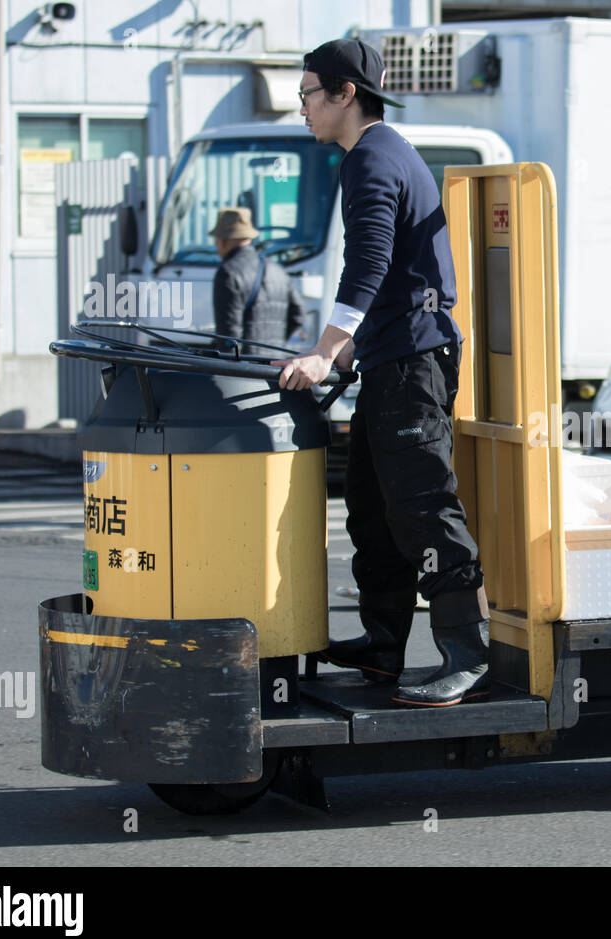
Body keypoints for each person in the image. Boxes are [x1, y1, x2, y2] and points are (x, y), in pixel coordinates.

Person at [272, 37, 489, 708]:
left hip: (412, 362)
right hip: (393, 355)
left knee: (421, 502)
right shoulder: (379, 153)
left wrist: (324, 348)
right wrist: (344, 347)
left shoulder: (371, 159)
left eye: (308, 93)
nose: (302, 107)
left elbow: (368, 263)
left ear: (344, 94)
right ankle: (383, 648)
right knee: (371, 505)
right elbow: (384, 267)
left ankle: (466, 650)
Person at [210, 207, 305, 352]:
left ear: (223, 240)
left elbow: (229, 335)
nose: (216, 246)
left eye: (216, 240)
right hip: (275, 364)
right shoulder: (278, 270)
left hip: (246, 367)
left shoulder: (228, 273)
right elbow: (298, 316)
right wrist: (274, 343)